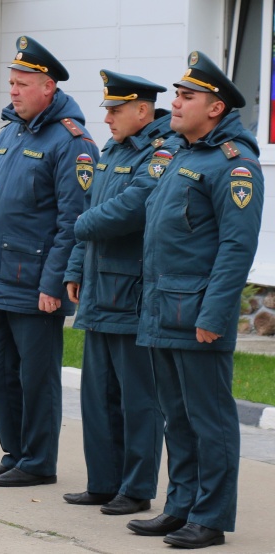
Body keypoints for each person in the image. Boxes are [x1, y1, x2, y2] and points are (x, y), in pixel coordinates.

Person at [127, 52, 264, 549]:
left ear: (215, 107)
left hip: (198, 314)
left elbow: (236, 247)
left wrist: (215, 313)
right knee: (176, 416)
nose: (175, 103)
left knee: (210, 420)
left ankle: (211, 517)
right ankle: (181, 505)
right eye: (177, 94)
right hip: (163, 307)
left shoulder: (236, 165)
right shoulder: (180, 154)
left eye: (187, 97)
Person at [0, 36, 99, 487]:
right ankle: (16, 450)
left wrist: (55, 283)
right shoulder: (10, 131)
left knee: (35, 377)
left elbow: (74, 220)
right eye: (11, 83)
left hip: (35, 284)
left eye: (22, 83)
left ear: (48, 86)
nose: (14, 91)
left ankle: (39, 461)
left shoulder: (72, 142)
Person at [62, 71, 172, 515]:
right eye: (106, 109)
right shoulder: (112, 149)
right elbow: (93, 207)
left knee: (137, 398)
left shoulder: (159, 154)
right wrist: (74, 265)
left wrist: (77, 228)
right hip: (97, 290)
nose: (106, 117)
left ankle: (137, 487)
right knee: (98, 394)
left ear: (142, 111)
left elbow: (132, 207)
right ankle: (103, 482)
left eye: (115, 109)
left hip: (130, 293)